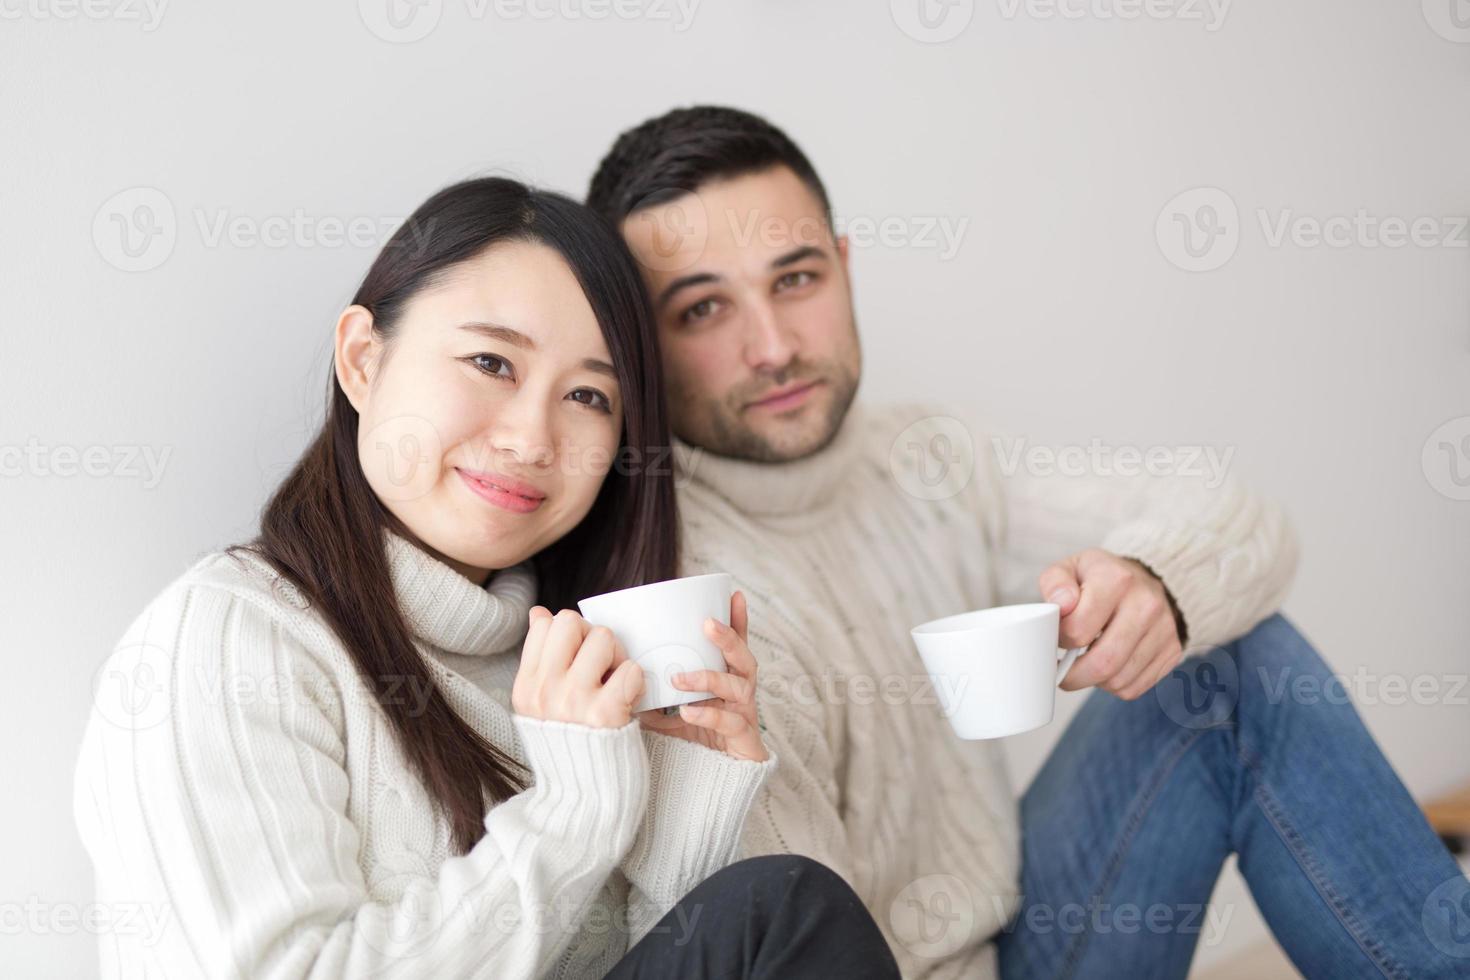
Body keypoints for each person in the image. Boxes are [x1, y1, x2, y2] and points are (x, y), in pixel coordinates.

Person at [585, 106, 1470, 978]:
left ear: (845, 269)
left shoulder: (927, 454)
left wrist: (1154, 585)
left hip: (1022, 945)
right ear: (636, 345)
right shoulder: (671, 593)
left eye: (796, 279)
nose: (772, 347)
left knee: (1233, 661)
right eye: (703, 310)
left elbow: (1236, 510)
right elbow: (785, 937)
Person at [72, 177, 901, 980]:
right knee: (784, 905)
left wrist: (687, 805)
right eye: (491, 363)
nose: (532, 439)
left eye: (586, 395)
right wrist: (570, 819)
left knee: (778, 904)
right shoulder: (228, 639)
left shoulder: (582, 675)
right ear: (363, 360)